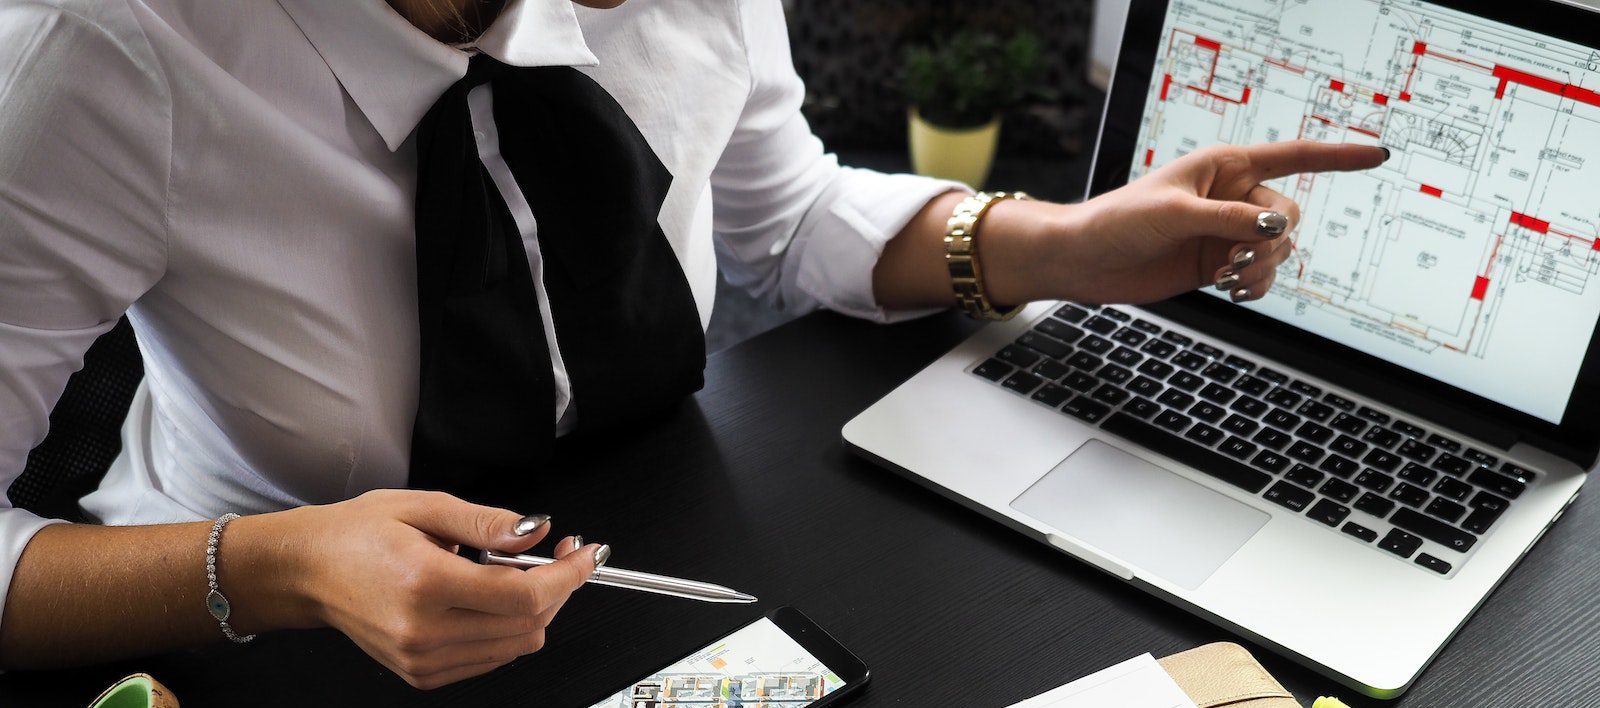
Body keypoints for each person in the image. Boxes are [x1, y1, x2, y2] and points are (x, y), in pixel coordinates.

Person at [0, 0, 1386, 690]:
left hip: (667, 523)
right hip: (275, 634)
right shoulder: (94, 56)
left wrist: (1049, 243)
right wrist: (284, 565)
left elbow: (780, 216)